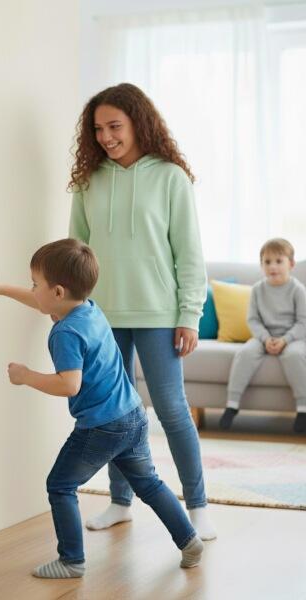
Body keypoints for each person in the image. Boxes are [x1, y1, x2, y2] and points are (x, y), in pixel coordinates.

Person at [0, 238, 203, 579]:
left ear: (57, 292)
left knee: (60, 484)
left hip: (102, 426)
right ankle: (189, 540)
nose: (32, 290)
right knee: (149, 484)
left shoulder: (65, 333)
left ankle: (71, 560)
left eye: (35, 284)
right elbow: (42, 302)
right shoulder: (89, 310)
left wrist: (25, 376)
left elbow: (69, 384)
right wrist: (1, 289)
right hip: (132, 415)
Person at [68, 82, 216, 540]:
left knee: (171, 411)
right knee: (115, 413)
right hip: (102, 315)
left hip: (158, 314)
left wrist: (189, 315)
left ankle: (198, 506)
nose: (106, 137)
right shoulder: (89, 181)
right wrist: (73, 308)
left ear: (139, 123)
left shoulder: (170, 177)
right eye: (98, 129)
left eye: (115, 126)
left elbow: (189, 253)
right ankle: (120, 501)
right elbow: (76, 251)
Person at [220, 238, 306, 433]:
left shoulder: (298, 290)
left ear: (291, 264)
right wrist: (266, 339)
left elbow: (303, 322)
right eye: (267, 262)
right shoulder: (258, 289)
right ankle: (232, 404)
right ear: (261, 266)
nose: (272, 266)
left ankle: (303, 408)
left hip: (292, 338)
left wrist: (285, 340)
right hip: (264, 337)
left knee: (295, 356)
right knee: (244, 353)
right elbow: (253, 320)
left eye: (278, 261)